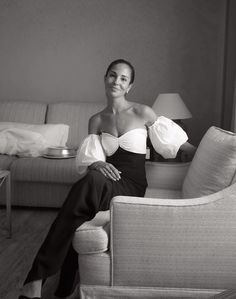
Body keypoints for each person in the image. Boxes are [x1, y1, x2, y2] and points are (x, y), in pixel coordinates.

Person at [19, 59, 195, 299]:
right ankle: (58, 286)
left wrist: (207, 149)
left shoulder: (142, 112)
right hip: (104, 182)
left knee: (88, 185)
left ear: (129, 86)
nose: (117, 81)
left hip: (131, 186)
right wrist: (98, 162)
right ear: (105, 78)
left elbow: (176, 144)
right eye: (113, 75)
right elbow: (91, 159)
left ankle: (37, 280)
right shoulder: (97, 120)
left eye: (123, 78)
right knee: (86, 192)